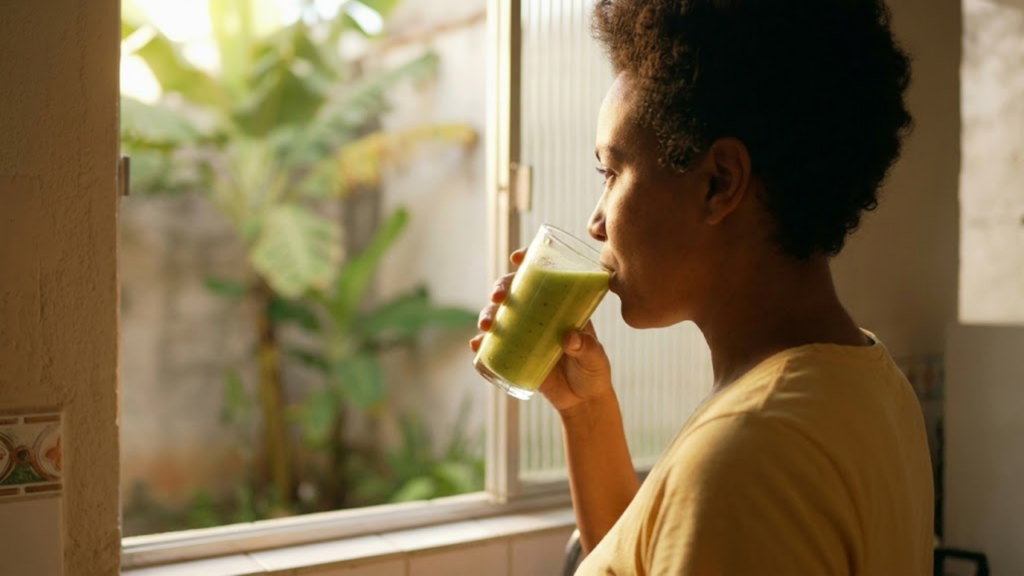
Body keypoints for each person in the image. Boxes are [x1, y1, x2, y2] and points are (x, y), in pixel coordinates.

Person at [471, 0, 934, 573]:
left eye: (611, 173)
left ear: (719, 183)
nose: (596, 222)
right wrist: (585, 410)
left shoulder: (747, 454)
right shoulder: (868, 384)